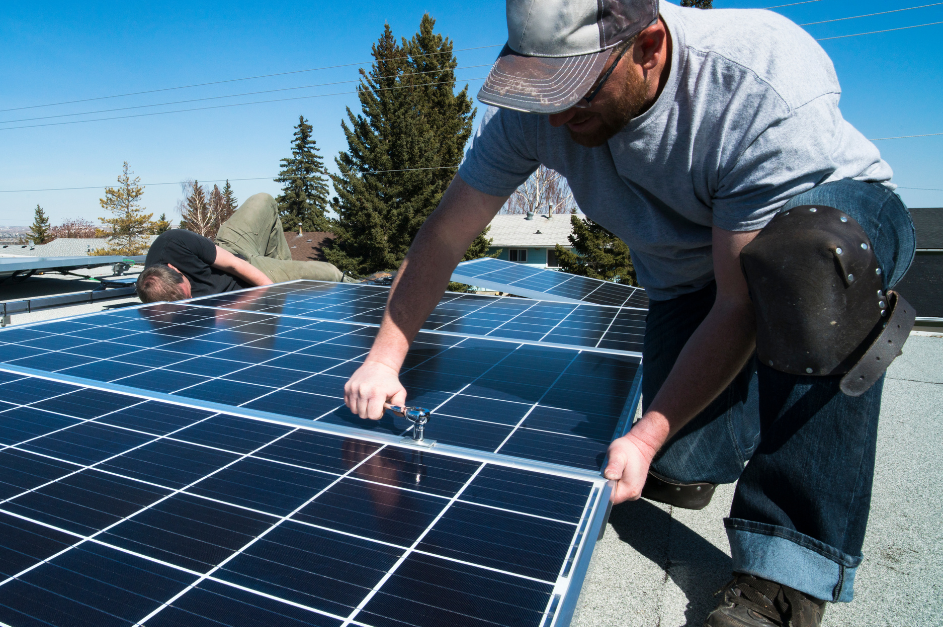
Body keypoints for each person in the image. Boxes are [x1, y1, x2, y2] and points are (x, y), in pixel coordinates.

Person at [341, 1, 916, 626]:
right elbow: (447, 236)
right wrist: (385, 355)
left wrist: (644, 434)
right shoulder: (536, 110)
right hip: (687, 276)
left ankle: (787, 572)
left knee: (809, 271)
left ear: (648, 46)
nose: (556, 115)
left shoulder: (753, 76)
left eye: (577, 91)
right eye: (542, 91)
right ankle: (717, 435)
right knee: (682, 460)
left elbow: (739, 302)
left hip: (826, 233)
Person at [137, 192, 350, 302]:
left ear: (173, 269)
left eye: (188, 292)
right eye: (187, 301)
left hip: (235, 256)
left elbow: (234, 265)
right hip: (242, 290)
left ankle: (281, 268)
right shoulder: (159, 299)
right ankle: (367, 283)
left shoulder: (174, 242)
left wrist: (275, 294)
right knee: (329, 273)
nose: (192, 300)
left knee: (264, 200)